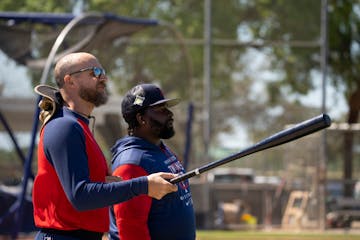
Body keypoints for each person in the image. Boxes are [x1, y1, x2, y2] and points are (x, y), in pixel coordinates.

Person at [32, 52, 178, 240]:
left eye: (103, 72)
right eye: (95, 72)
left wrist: (115, 184)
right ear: (70, 81)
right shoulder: (64, 126)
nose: (104, 78)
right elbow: (80, 196)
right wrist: (145, 185)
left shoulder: (77, 125)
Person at [108, 83, 196, 240]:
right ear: (141, 119)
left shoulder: (160, 149)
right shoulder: (131, 163)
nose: (170, 114)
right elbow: (130, 228)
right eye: (161, 110)